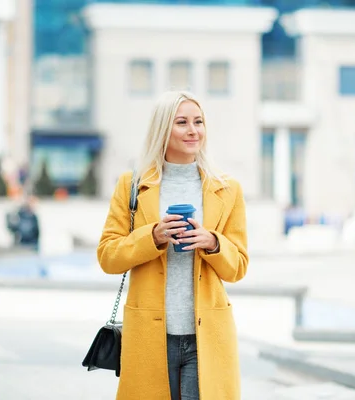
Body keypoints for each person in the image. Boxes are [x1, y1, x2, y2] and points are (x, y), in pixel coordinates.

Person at [97, 90, 248, 400]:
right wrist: (151, 237)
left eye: (199, 122)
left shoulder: (227, 188)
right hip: (149, 335)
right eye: (182, 122)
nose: (193, 130)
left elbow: (239, 266)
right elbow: (108, 256)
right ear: (163, 128)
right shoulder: (132, 184)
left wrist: (212, 242)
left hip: (207, 335)